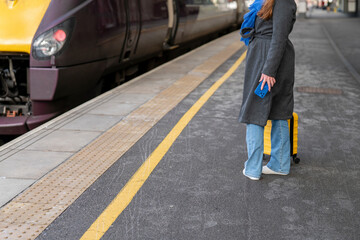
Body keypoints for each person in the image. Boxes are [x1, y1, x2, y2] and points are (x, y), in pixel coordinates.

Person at [239, 0, 297, 180]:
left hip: (267, 61)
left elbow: (279, 37)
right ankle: (279, 164)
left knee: (255, 110)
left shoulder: (283, 2)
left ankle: (253, 168)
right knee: (278, 109)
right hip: (269, 57)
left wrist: (269, 71)